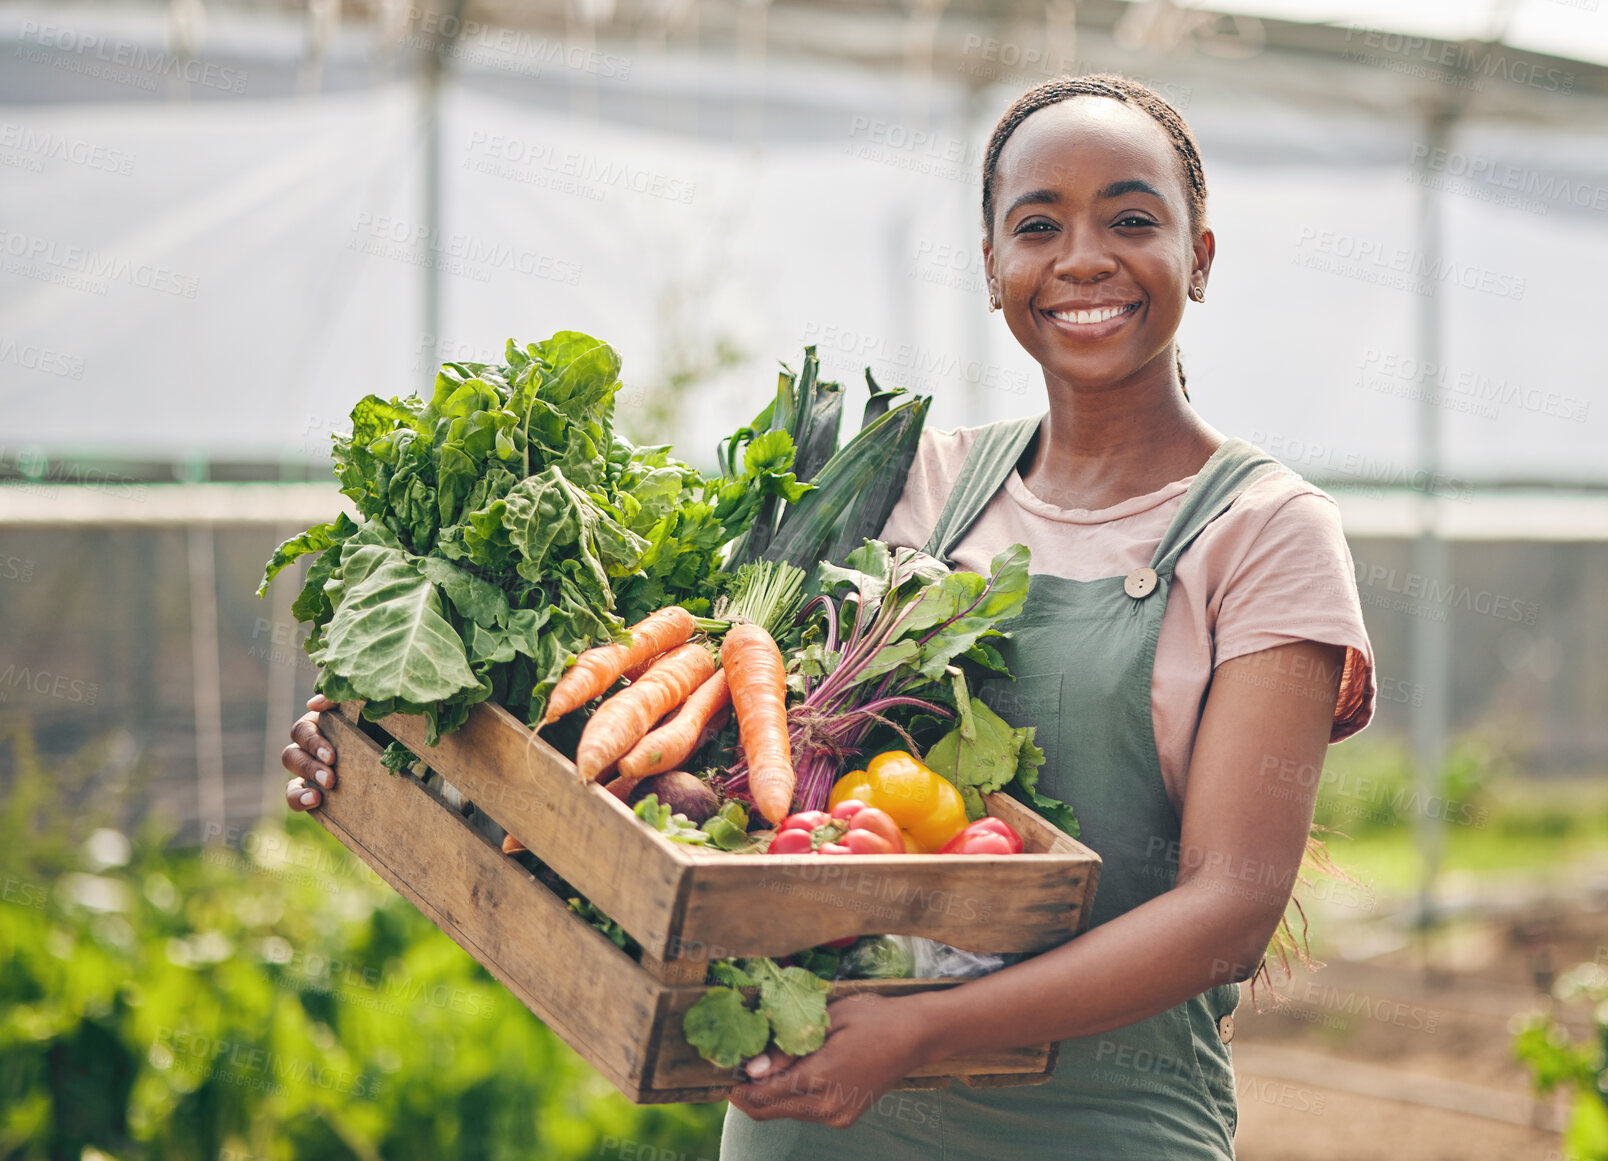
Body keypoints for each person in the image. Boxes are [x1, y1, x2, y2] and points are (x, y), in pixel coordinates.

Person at [281, 74, 1375, 1160]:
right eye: (1036, 225)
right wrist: (402, 737)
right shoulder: (916, 488)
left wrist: (919, 1028)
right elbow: (691, 725)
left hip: (1099, 1121)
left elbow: (1229, 911)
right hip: (807, 1097)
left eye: (1130, 219)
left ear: (1201, 255)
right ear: (992, 271)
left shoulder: (1264, 532)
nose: (1081, 257)